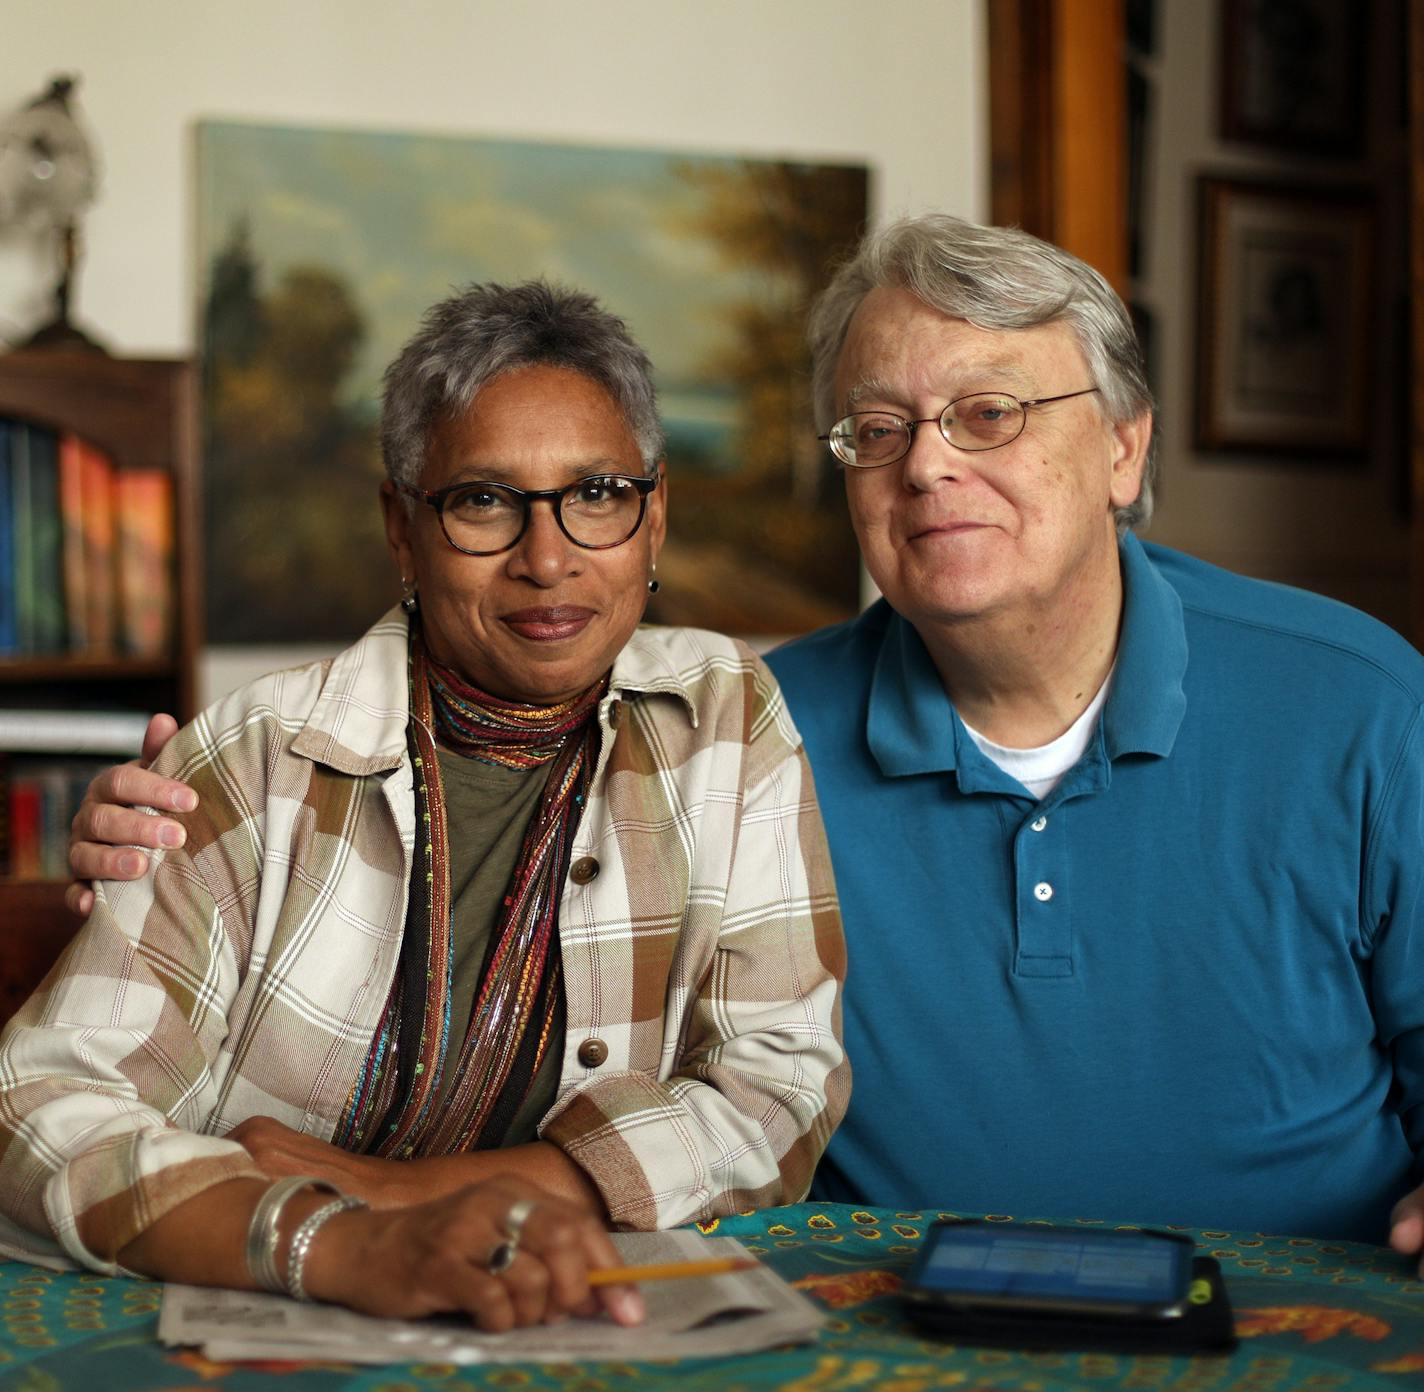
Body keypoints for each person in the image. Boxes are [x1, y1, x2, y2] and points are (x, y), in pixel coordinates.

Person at [70, 214, 1424, 1256]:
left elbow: (751, 1101)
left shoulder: (1359, 703)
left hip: (1297, 1303)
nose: (929, 464)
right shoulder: (759, 725)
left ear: (1125, 448)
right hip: (889, 1317)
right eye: (877, 427)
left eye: (991, 413)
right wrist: (137, 857)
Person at [3, 280, 847, 1323]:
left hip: (589, 1310)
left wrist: (410, 1193)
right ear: (402, 529)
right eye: (483, 501)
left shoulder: (724, 717)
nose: (547, 559)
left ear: (653, 516)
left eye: (594, 494)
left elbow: (776, 1090)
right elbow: (38, 1107)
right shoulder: (251, 758)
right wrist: (343, 1242)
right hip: (280, 1308)